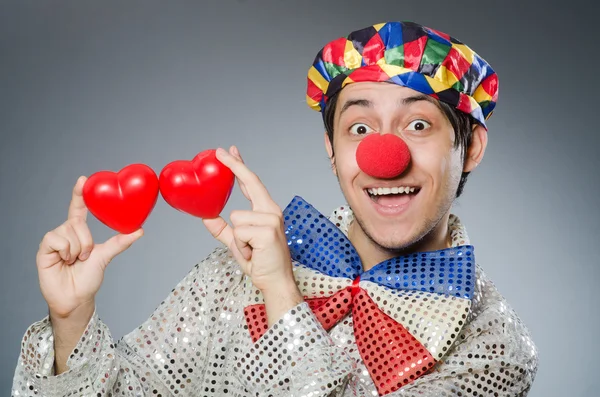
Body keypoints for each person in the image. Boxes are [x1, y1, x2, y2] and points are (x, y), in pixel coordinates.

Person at [12, 21, 538, 396]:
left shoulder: (494, 347)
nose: (385, 157)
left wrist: (283, 297)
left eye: (418, 125)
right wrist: (72, 319)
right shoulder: (239, 268)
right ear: (332, 151)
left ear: (470, 148)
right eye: (359, 128)